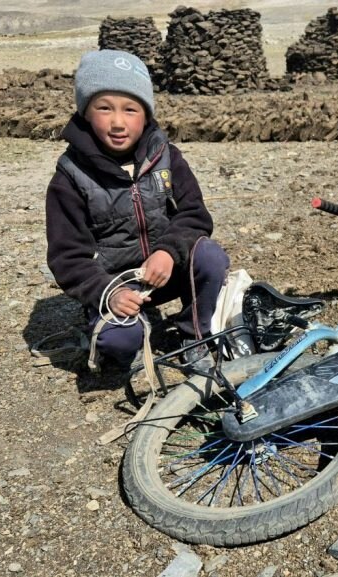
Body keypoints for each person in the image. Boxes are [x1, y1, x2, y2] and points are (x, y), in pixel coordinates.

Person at [45, 49, 229, 371]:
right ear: (85, 113)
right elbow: (67, 257)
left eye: (130, 109)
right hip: (117, 284)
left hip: (165, 270)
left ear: (145, 115)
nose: (118, 122)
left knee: (210, 256)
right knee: (118, 342)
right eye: (104, 108)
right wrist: (109, 293)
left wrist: (168, 252)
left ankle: (194, 335)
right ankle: (119, 329)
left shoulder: (166, 157)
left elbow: (194, 215)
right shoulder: (70, 177)